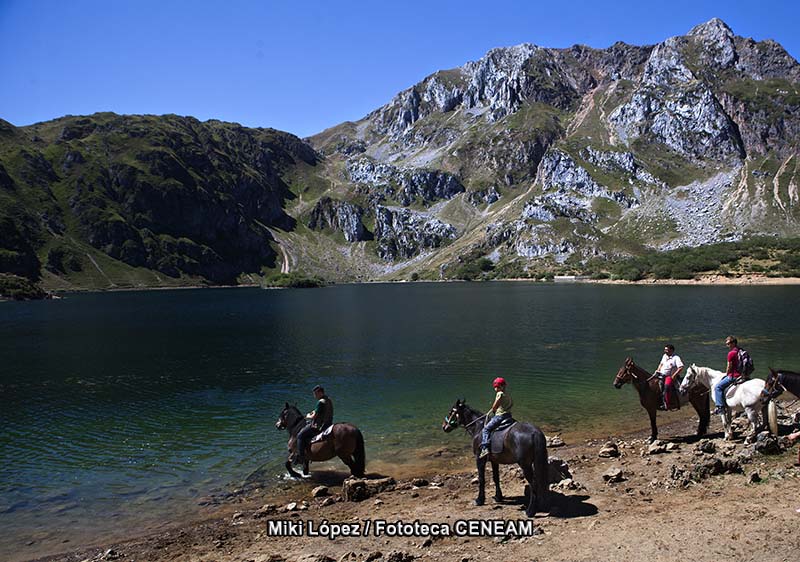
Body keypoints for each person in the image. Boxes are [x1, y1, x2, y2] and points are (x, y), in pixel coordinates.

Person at [294, 385, 334, 465]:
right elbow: (318, 411)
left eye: (315, 394)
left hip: (319, 425)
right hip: (328, 423)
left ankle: (301, 457)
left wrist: (308, 416)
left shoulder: (320, 402)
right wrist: (313, 412)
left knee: (300, 435)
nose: (314, 396)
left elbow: (313, 416)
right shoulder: (328, 399)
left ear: (320, 393)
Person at [478, 377, 513, 459]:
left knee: (486, 429)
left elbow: (495, 405)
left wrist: (493, 410)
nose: (496, 389)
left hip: (500, 416)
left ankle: (485, 448)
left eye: (498, 387)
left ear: (502, 387)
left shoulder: (499, 394)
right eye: (495, 387)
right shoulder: (507, 394)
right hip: (508, 415)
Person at [713, 336, 741, 415]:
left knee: (717, 387)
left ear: (733, 343)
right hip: (743, 375)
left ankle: (720, 407)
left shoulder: (731, 353)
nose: (727, 345)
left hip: (734, 376)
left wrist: (726, 374)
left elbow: (729, 366)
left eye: (728, 344)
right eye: (727, 344)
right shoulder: (741, 351)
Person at [654, 344, 684, 410]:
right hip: (661, 374)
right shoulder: (664, 356)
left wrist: (673, 376)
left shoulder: (676, 358)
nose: (665, 351)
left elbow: (681, 367)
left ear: (671, 350)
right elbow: (661, 364)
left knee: (666, 387)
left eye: (667, 350)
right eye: (665, 349)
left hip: (669, 376)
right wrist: (658, 370)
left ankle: (667, 404)